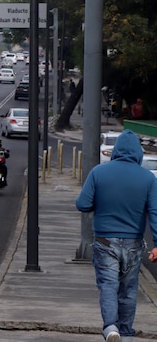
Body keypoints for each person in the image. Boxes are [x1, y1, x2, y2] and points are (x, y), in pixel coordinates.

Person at [75, 130, 157, 342]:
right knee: (129, 290)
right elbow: (155, 212)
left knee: (108, 286)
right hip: (134, 243)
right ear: (139, 153)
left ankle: (111, 327)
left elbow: (82, 204)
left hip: (104, 241)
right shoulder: (148, 178)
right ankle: (127, 334)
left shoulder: (98, 173)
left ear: (116, 150)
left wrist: (101, 202)